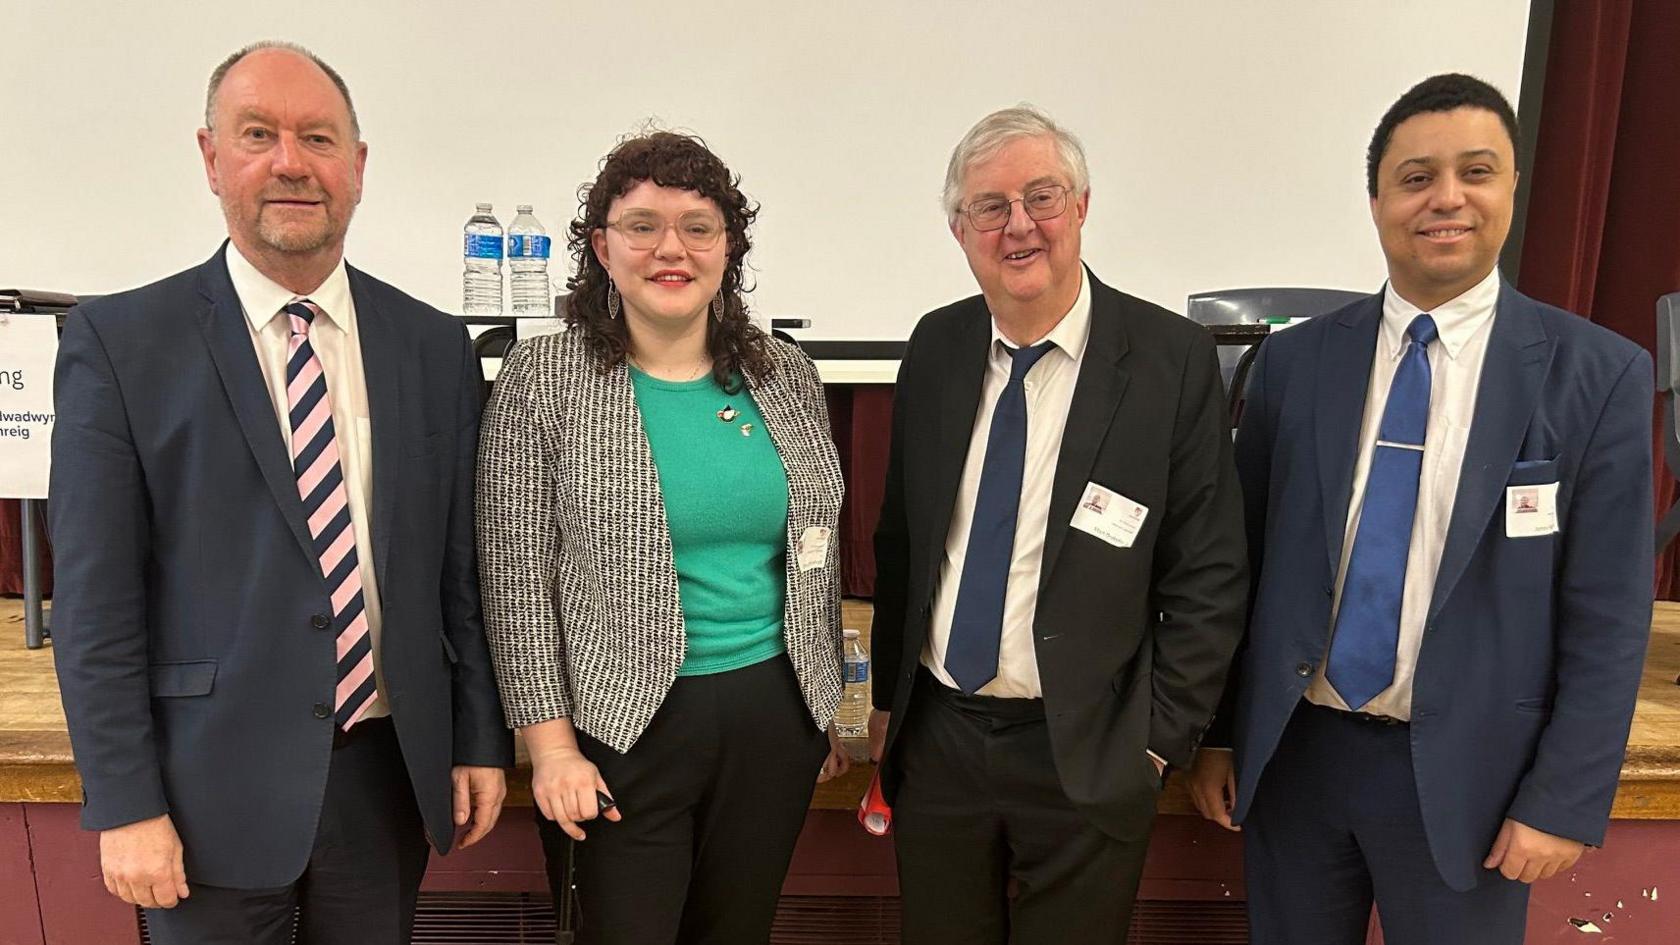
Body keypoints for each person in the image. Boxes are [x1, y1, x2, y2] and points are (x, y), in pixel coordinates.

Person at [48, 41, 512, 944]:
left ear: (359, 167)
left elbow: (461, 576)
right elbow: (98, 604)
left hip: (386, 786)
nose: (291, 163)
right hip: (201, 797)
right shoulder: (120, 343)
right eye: (258, 134)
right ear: (211, 157)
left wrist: (477, 739)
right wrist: (124, 801)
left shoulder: (432, 348)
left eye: (318, 138)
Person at [1188, 73, 1654, 945]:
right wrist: (1217, 733)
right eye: (1415, 178)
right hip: (1297, 761)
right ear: (1376, 201)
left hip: (1475, 782)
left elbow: (1610, 615)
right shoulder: (1293, 366)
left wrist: (1563, 797)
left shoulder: (1596, 377)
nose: (1446, 198)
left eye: (1476, 171)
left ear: (1513, 187)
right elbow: (1238, 568)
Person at [868, 106, 1248, 943]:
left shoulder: (1169, 358)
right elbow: (903, 539)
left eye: (1041, 197)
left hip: (1088, 747)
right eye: (990, 207)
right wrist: (890, 711)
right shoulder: (935, 346)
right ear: (960, 229)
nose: (1019, 226)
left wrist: (1153, 744)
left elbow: (1208, 570)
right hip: (941, 741)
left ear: (1081, 207)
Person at [475, 130, 850, 945]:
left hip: (773, 716)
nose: (669, 248)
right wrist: (551, 750)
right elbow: (515, 584)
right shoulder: (545, 379)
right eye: (642, 225)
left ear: (729, 248)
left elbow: (812, 550)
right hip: (622, 727)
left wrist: (816, 702)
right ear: (602, 247)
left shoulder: (786, 375)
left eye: (697, 226)